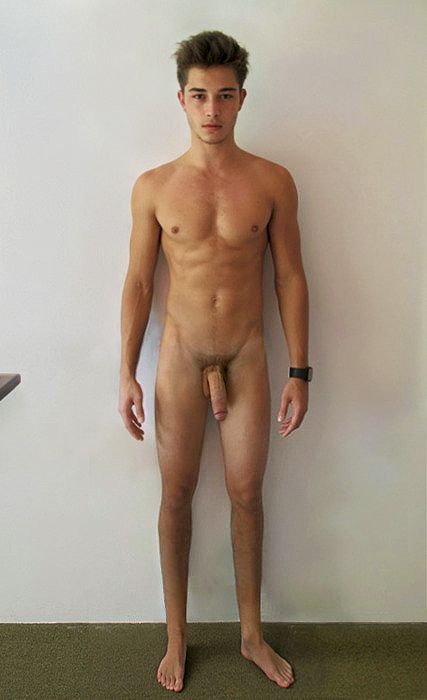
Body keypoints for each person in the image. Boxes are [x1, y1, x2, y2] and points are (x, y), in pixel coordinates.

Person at [118, 29, 312, 693]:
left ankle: (250, 635)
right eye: (199, 95)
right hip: (180, 355)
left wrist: (300, 371)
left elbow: (290, 276)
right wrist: (125, 373)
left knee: (246, 494)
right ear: (181, 99)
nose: (212, 109)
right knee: (175, 495)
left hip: (246, 354)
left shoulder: (272, 181)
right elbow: (138, 282)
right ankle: (177, 636)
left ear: (241, 99)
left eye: (224, 96)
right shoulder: (153, 187)